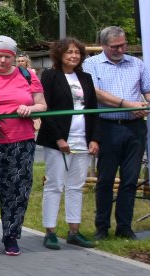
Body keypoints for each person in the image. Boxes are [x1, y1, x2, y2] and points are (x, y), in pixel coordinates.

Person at [84, 26, 150, 240]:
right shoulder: (91, 64)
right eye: (115, 47)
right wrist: (126, 104)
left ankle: (124, 227)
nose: (120, 49)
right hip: (107, 128)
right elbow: (95, 94)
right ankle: (102, 227)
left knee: (129, 180)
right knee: (105, 180)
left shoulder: (137, 64)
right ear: (103, 46)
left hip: (134, 129)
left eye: (123, 45)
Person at [0, 35, 47, 256]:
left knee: (16, 190)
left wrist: (30, 109)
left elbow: (42, 105)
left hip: (21, 142)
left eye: (8, 57)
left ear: (15, 57)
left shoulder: (28, 76)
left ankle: (11, 236)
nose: (3, 61)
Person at [37, 37, 98, 249]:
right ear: (60, 55)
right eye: (69, 52)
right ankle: (50, 231)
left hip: (83, 139)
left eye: (77, 52)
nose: (73, 56)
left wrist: (95, 139)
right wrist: (59, 138)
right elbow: (47, 110)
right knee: (54, 185)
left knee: (76, 186)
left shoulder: (86, 78)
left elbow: (93, 110)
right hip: (59, 140)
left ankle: (74, 230)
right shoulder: (50, 76)